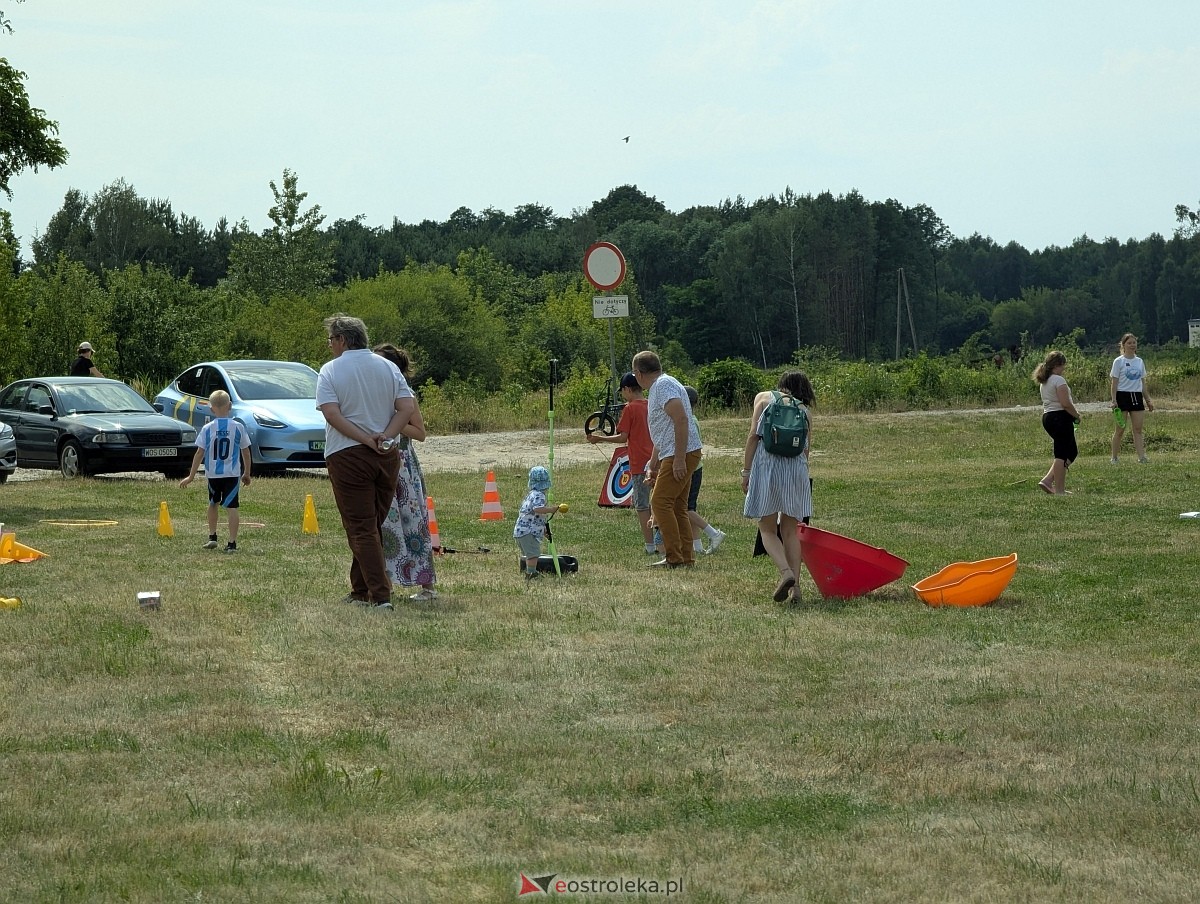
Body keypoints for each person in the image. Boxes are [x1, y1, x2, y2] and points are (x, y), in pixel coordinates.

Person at [316, 314, 415, 611]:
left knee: (361, 526)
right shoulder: (387, 367)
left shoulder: (330, 370)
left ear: (343, 340)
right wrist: (385, 436)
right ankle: (360, 589)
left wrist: (363, 437)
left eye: (331, 339)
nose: (330, 345)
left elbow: (332, 414)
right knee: (370, 524)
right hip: (387, 456)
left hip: (347, 454)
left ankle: (380, 595)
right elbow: (406, 407)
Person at [742, 371, 815, 602]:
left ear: (781, 385)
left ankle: (785, 573)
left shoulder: (763, 398)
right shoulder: (805, 411)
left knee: (767, 528)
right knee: (790, 531)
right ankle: (797, 590)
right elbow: (806, 451)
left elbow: (754, 436)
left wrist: (746, 471)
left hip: (768, 465)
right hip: (796, 470)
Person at [373, 344, 438, 602]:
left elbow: (420, 433)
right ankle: (385, 583)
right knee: (384, 525)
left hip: (403, 467)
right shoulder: (375, 393)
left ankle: (427, 586)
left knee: (413, 524)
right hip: (381, 463)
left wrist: (396, 422)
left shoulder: (407, 395)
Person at [632, 350, 702, 569]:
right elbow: (664, 431)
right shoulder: (662, 385)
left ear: (638, 373)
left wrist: (680, 459)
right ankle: (686, 557)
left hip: (680, 453)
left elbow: (681, 419)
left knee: (660, 503)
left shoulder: (662, 386)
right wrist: (652, 465)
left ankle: (674, 557)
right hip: (676, 452)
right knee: (678, 506)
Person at [587, 372, 657, 554]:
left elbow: (623, 437)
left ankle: (651, 545)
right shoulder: (652, 404)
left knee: (642, 505)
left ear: (627, 389)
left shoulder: (630, 408)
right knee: (659, 502)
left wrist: (599, 438)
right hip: (657, 460)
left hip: (640, 463)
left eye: (622, 391)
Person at [179, 390, 252, 552]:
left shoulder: (207, 428)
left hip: (213, 474)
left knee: (213, 503)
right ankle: (232, 543)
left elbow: (199, 453)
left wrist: (191, 476)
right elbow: (246, 452)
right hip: (232, 474)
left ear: (211, 409)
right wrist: (247, 473)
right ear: (230, 406)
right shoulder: (238, 427)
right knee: (232, 507)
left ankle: (212, 536)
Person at [683, 385, 726, 555]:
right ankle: (697, 546)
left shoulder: (689, 421)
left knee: (686, 509)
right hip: (695, 468)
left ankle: (714, 533)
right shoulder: (691, 418)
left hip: (691, 469)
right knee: (690, 508)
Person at [1034, 350, 1080, 496]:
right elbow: (1065, 403)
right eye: (1063, 365)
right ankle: (1059, 490)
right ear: (1058, 365)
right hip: (1060, 417)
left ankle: (1048, 480)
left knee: (1071, 451)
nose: (1064, 368)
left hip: (1048, 417)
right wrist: (1076, 415)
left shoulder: (1045, 381)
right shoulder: (1058, 380)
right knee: (1061, 454)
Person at [514, 465, 566, 580]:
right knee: (533, 554)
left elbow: (534, 517)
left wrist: (543, 530)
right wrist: (552, 509)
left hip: (521, 530)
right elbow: (537, 509)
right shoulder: (539, 495)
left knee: (530, 553)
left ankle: (530, 571)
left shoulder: (531, 495)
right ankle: (531, 573)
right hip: (528, 532)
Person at [1109, 333, 1154, 464]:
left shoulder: (1139, 361)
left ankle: (1141, 457)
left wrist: (1148, 400)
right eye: (1129, 343)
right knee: (1120, 429)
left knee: (1138, 429)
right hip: (1122, 396)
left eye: (1134, 343)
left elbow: (1143, 383)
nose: (1132, 345)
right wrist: (1113, 400)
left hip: (1136, 396)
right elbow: (1114, 382)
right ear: (1123, 345)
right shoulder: (1118, 361)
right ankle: (1114, 457)